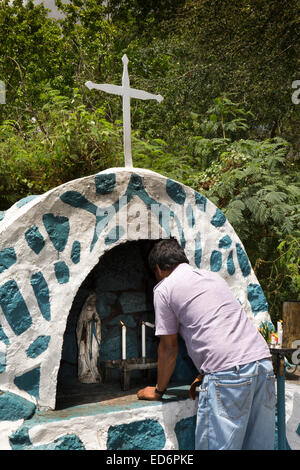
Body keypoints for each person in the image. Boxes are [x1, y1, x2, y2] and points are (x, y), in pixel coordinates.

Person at [137, 238, 276, 450]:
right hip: (263, 365)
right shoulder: (213, 278)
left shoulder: (164, 289)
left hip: (228, 375)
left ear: (158, 269)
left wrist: (158, 390)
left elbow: (168, 348)